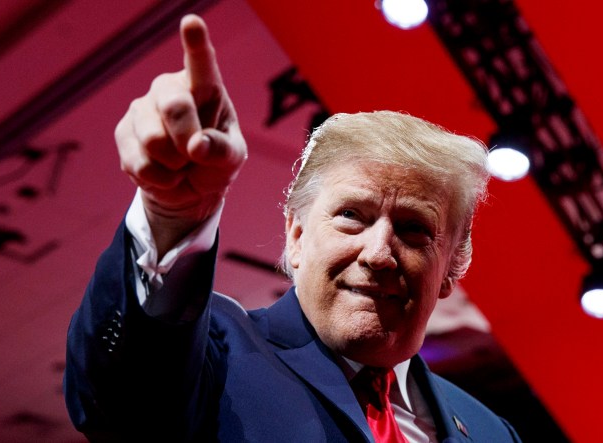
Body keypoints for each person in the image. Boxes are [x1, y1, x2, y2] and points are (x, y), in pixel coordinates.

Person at [64, 14, 521, 443]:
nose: (379, 253)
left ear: (452, 268)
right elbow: (120, 399)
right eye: (351, 216)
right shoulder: (215, 351)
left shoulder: (489, 430)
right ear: (297, 235)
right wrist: (169, 213)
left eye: (414, 229)